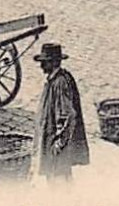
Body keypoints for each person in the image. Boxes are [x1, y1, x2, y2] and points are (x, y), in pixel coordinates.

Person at [34, 43, 90, 180]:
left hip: (56, 145)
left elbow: (68, 115)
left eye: (45, 62)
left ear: (53, 62)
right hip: (53, 143)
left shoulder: (60, 83)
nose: (41, 66)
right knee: (59, 177)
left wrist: (59, 142)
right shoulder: (56, 79)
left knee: (58, 180)